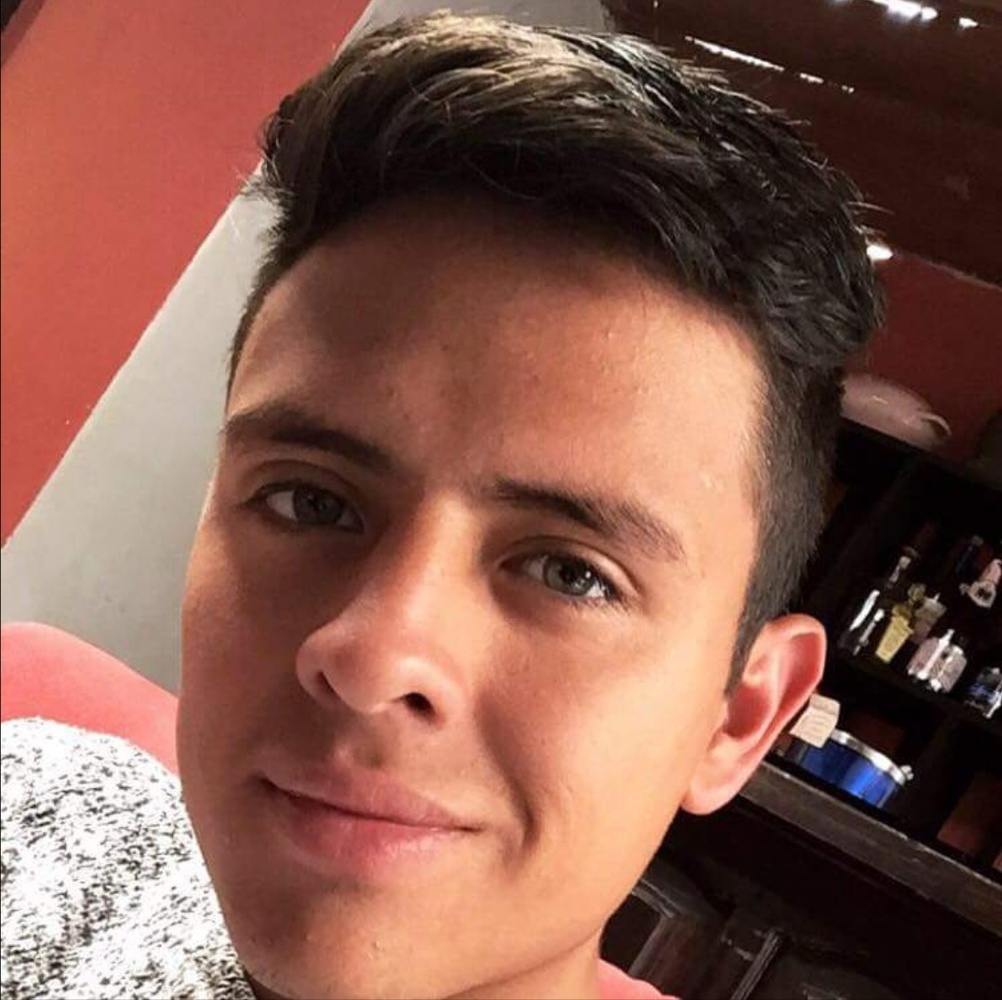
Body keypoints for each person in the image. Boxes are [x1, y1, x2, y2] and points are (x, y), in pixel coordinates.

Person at [0, 11, 882, 1000]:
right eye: (310, 501)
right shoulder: (32, 819)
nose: (374, 658)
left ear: (741, 718)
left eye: (570, 573)